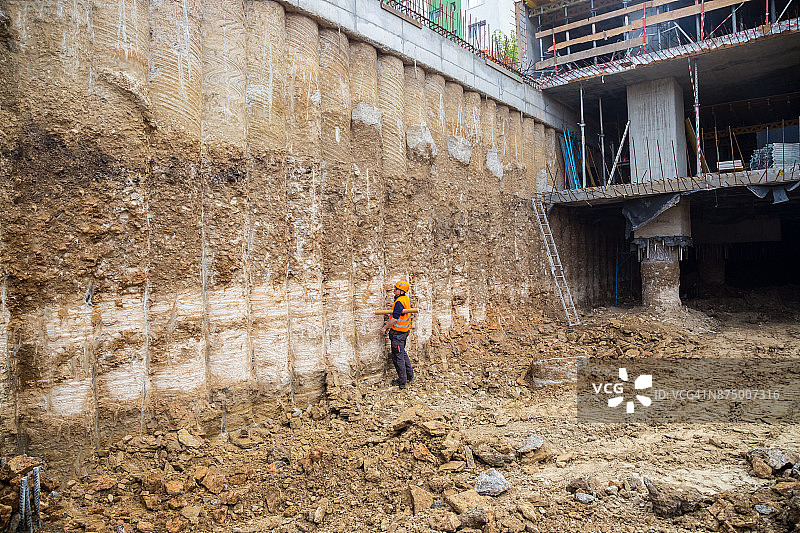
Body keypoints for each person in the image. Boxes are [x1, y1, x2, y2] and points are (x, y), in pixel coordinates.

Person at [380, 280, 414, 389]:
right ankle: (410, 376)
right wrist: (392, 306)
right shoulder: (404, 298)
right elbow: (400, 310)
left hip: (398, 334)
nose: (394, 290)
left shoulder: (399, 302)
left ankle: (402, 381)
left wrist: (385, 328)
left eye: (396, 288)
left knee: (398, 357)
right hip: (404, 333)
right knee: (402, 354)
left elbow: (395, 319)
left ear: (401, 291)